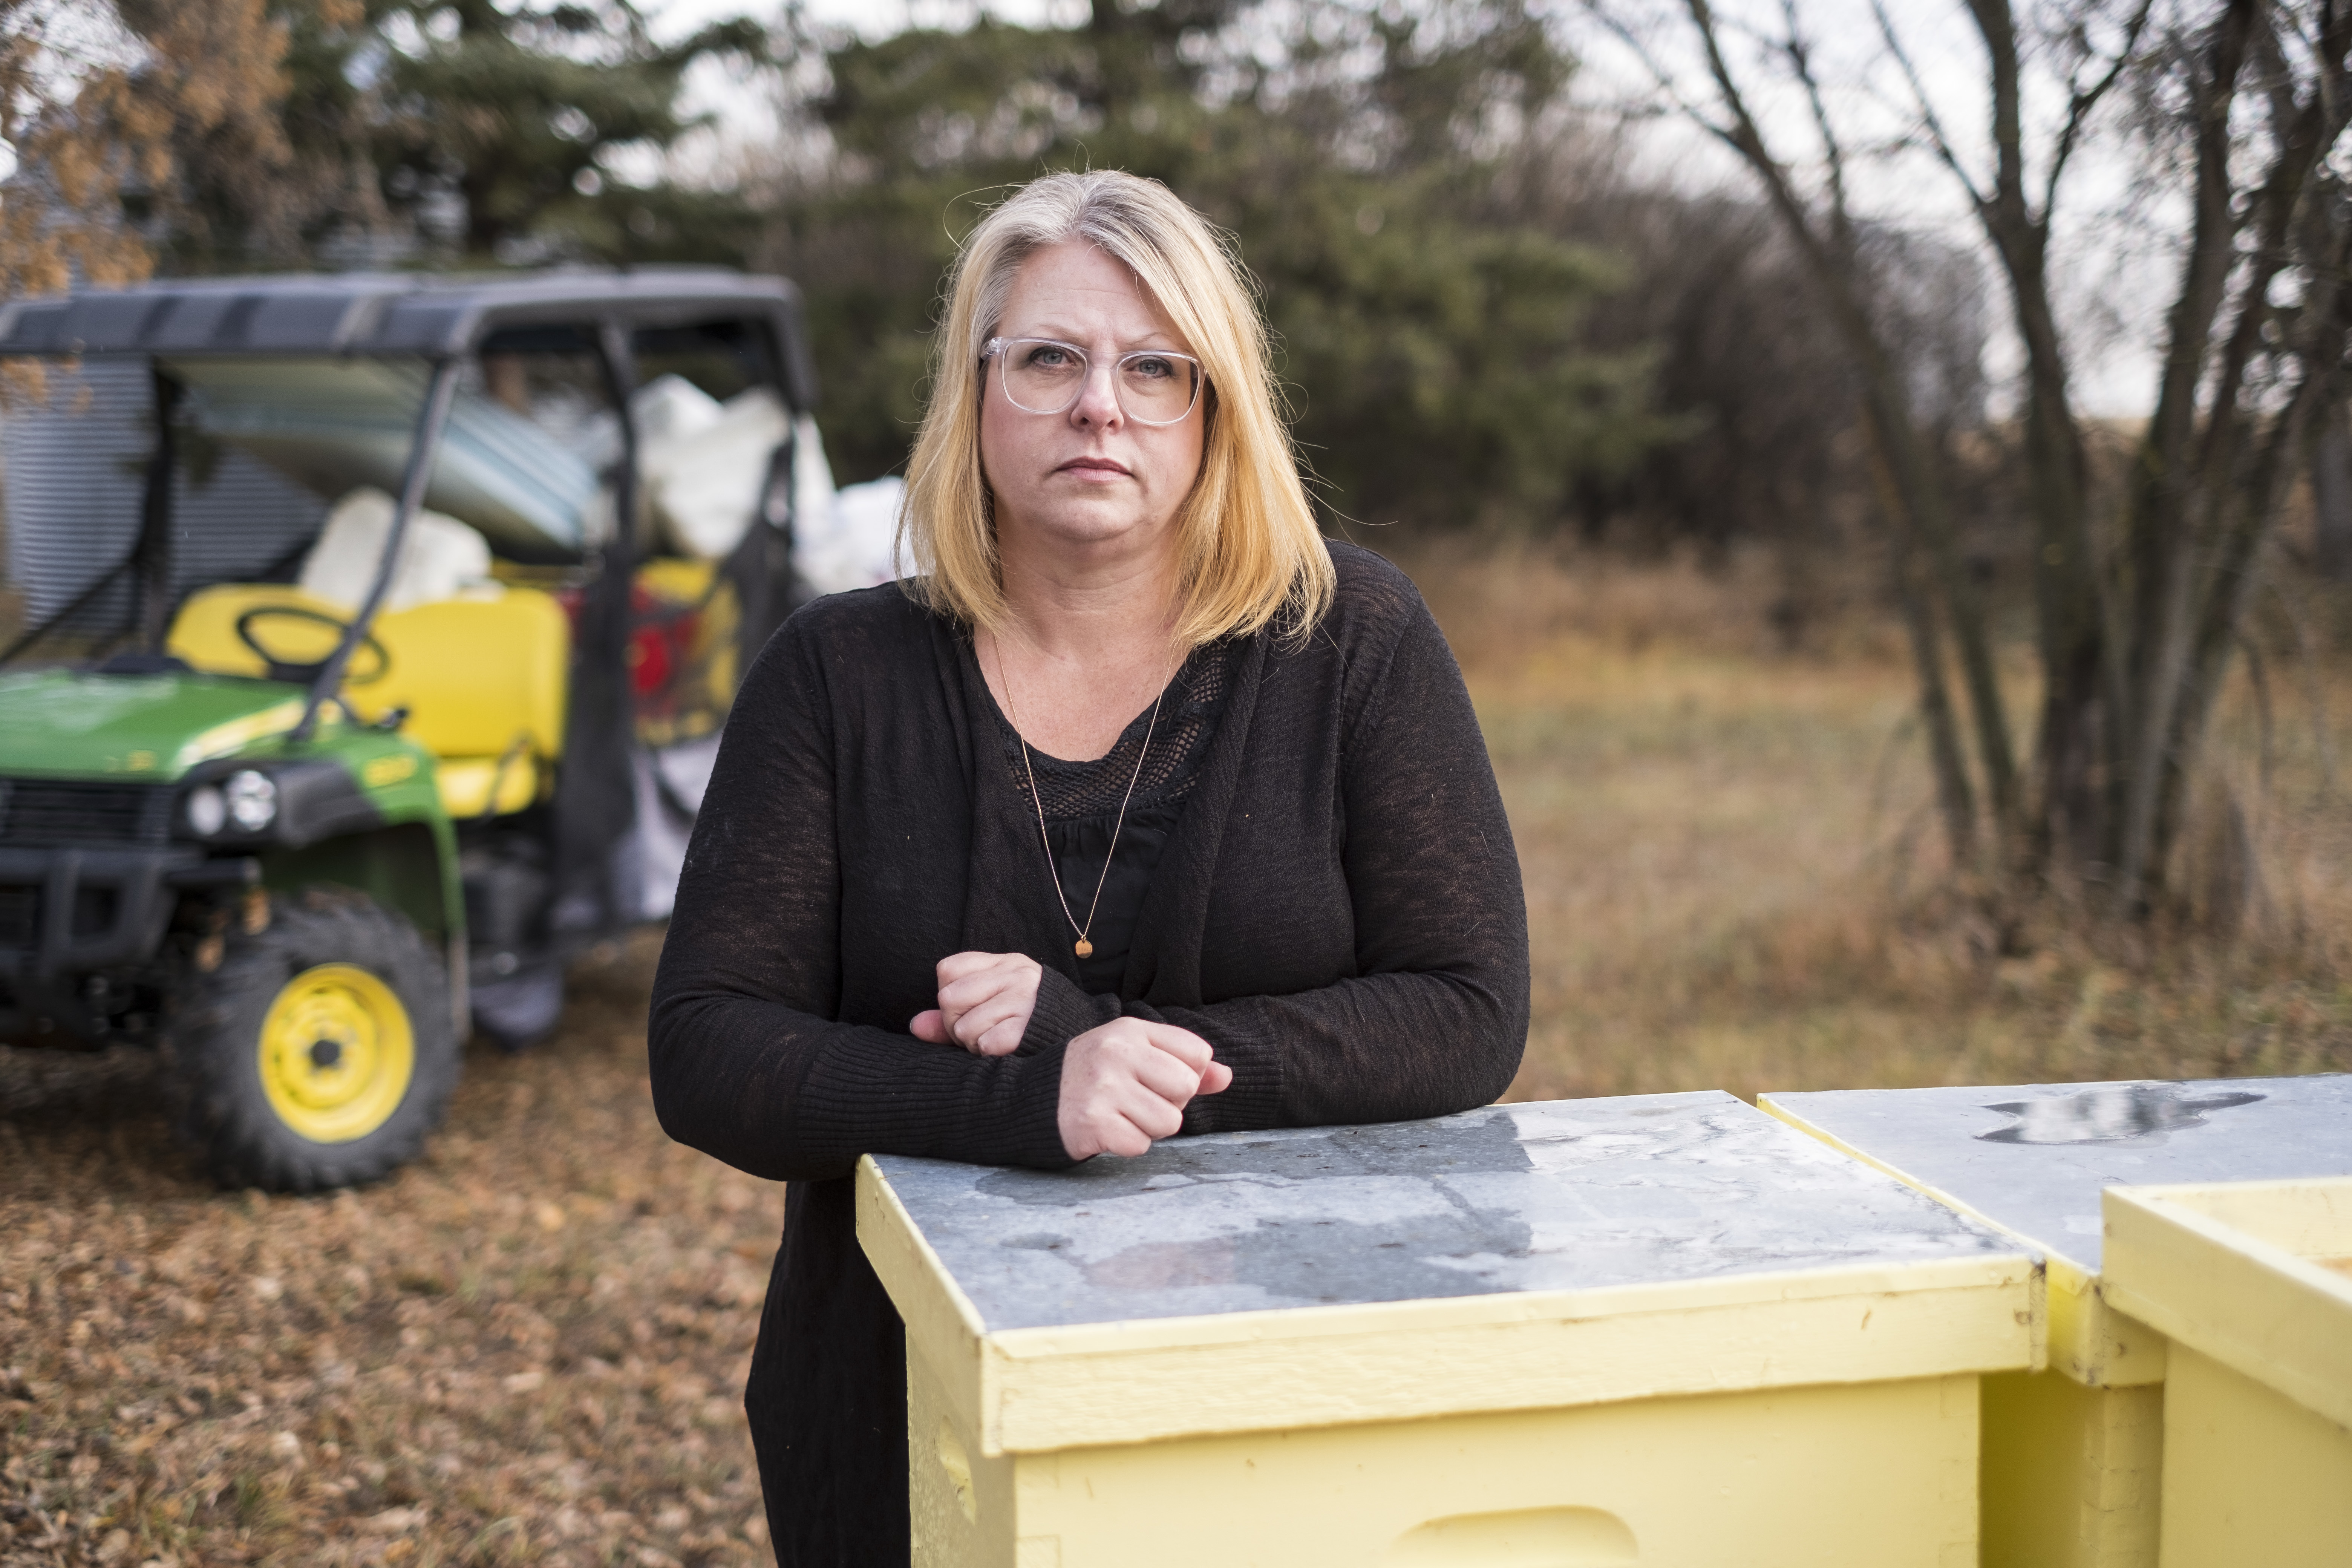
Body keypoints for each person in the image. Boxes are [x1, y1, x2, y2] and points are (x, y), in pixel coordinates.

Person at [648, 169, 1530, 1566]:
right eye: (1049, 357)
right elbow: (705, 1048)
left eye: (1154, 367)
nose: (1098, 404)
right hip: (907, 1406)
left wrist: (1116, 1048)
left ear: (1214, 405)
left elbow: (1466, 1011)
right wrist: (1023, 1097)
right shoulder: (835, 675)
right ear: (976, 393)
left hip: (1283, 1390)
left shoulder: (1350, 640)